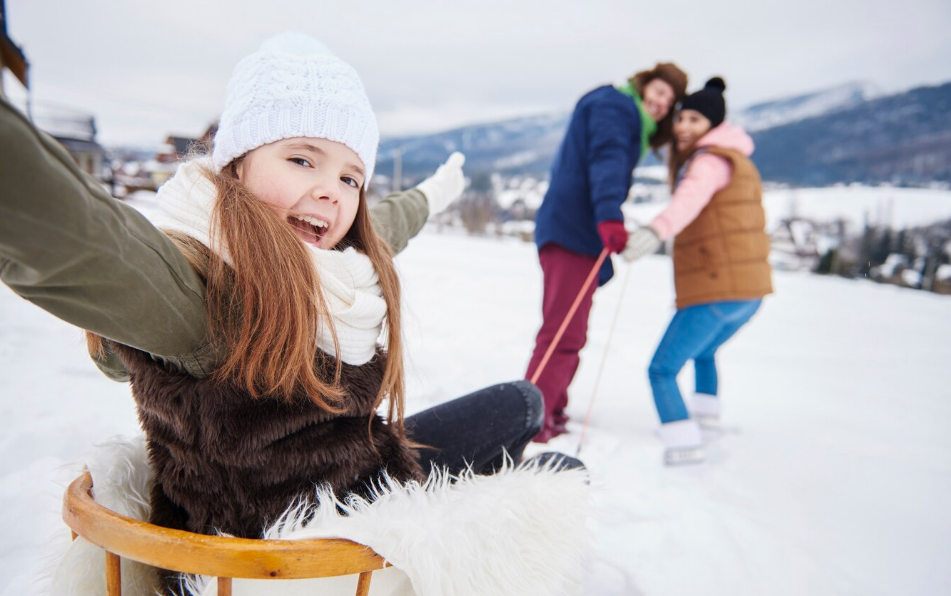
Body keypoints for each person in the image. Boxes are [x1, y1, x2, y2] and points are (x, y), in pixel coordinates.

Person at [0, 32, 574, 552]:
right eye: (302, 159)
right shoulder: (195, 290)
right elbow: (82, 237)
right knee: (559, 469)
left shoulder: (324, 266)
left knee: (522, 401)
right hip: (311, 549)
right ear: (238, 166)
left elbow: (386, 226)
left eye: (351, 177)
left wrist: (435, 192)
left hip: (358, 474)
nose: (331, 193)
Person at [526, 62, 688, 442]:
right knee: (562, 329)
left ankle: (551, 406)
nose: (663, 103)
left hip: (576, 234)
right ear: (645, 84)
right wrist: (610, 218)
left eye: (671, 99)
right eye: (660, 91)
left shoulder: (621, 112)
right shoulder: (616, 108)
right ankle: (531, 417)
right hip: (572, 231)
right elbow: (607, 161)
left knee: (572, 329)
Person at [623, 77, 774, 465]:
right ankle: (706, 424)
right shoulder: (737, 157)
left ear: (713, 123)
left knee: (661, 369)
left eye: (694, 119)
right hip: (749, 293)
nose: (684, 126)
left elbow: (688, 201)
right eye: (681, 118)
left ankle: (683, 443)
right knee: (704, 353)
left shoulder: (709, 161)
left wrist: (656, 229)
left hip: (717, 290)